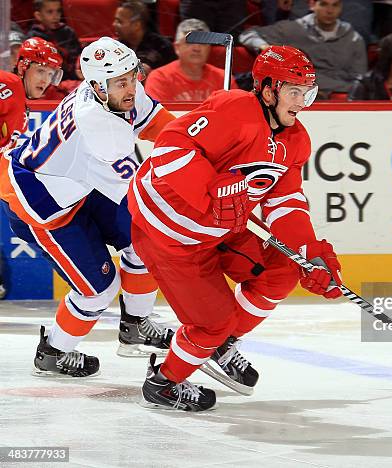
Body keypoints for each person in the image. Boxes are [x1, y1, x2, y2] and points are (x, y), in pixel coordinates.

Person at [127, 45, 344, 411]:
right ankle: (164, 381)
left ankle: (221, 345)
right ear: (269, 89)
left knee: (283, 269)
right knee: (212, 322)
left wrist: (309, 252)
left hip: (223, 228)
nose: (303, 102)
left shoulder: (296, 140)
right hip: (170, 233)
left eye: (308, 92)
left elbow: (284, 201)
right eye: (295, 91)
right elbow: (169, 147)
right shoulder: (234, 109)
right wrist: (208, 191)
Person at [0, 37, 176, 377]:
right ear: (97, 85)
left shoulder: (111, 86)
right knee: (98, 292)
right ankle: (53, 350)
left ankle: (136, 324)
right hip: (42, 202)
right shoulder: (99, 126)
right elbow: (137, 190)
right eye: (122, 82)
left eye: (133, 76)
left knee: (144, 238)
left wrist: (203, 140)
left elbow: (156, 123)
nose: (131, 87)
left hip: (75, 180)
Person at [0, 37, 63, 301]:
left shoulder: (21, 103)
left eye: (50, 74)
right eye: (40, 70)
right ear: (23, 66)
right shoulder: (10, 84)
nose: (45, 79)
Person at [240, 0, 367, 98]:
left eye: (335, 5)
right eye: (324, 4)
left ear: (341, 8)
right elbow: (248, 34)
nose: (330, 10)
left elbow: (359, 77)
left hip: (339, 90)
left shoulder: (354, 38)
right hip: (300, 86)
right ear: (312, 5)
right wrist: (265, 47)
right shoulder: (293, 29)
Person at [145, 19, 237, 102]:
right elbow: (156, 118)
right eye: (189, 42)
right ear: (177, 47)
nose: (197, 48)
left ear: (209, 48)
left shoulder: (224, 78)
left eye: (203, 43)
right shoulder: (159, 78)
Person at [113, 0, 177, 74]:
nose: (114, 24)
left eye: (119, 22)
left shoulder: (162, 47)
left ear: (136, 25)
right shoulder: (117, 47)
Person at [26, 0, 82, 81]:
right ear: (38, 15)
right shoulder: (33, 37)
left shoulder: (68, 32)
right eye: (50, 12)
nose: (56, 16)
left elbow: (77, 56)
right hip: (47, 81)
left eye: (58, 11)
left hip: (73, 78)